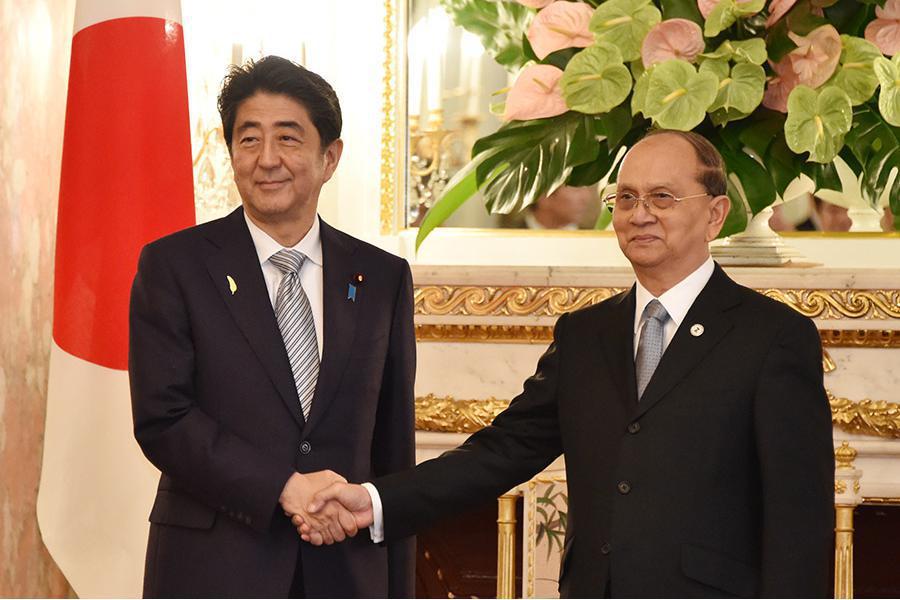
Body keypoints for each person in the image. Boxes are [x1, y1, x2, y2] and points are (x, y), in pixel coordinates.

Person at [297, 130, 835, 598]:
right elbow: (501, 451)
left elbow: (799, 521)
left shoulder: (772, 337)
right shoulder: (585, 335)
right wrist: (373, 501)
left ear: (715, 214)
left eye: (662, 197)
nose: (640, 214)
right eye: (625, 198)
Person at [128, 55, 415, 598]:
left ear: (330, 157)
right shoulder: (174, 267)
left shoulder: (383, 278)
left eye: (287, 138)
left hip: (346, 572)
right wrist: (282, 486)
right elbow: (164, 419)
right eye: (249, 139)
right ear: (231, 152)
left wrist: (397, 585)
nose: (266, 159)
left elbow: (393, 450)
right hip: (213, 569)